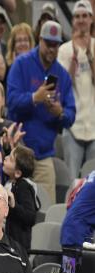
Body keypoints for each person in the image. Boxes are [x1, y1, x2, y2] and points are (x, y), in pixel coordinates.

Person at [7, 20, 76, 204]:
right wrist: (33, 98)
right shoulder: (21, 64)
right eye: (48, 44)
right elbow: (11, 101)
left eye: (55, 45)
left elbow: (71, 115)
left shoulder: (62, 75)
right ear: (39, 40)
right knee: (15, 209)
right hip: (18, 154)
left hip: (44, 157)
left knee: (46, 210)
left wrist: (60, 112)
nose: (51, 49)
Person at [58, 0, 95, 179]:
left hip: (94, 125)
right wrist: (73, 60)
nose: (81, 20)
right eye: (78, 16)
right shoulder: (64, 50)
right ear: (73, 21)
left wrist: (89, 55)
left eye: (85, 16)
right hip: (73, 126)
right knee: (72, 180)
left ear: (91, 19)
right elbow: (62, 87)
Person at [3, 145, 39, 249]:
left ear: (18, 173)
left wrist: (14, 206)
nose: (5, 158)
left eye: (10, 159)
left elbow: (30, 217)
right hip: (9, 242)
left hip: (19, 246)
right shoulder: (11, 182)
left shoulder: (23, 187)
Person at [61, 170, 95, 247]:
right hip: (78, 235)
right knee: (73, 255)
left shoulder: (91, 176)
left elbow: (70, 201)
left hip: (69, 231)